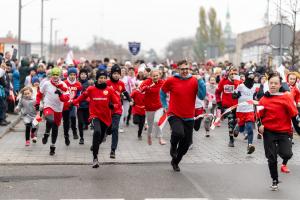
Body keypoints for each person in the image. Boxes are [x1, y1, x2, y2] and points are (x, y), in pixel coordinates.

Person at [160, 60, 206, 172]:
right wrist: (165, 105)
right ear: (178, 69)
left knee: (186, 145)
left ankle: (175, 162)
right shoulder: (171, 80)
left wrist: (200, 81)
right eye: (182, 69)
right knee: (178, 133)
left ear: (189, 69)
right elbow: (162, 92)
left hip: (189, 116)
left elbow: (201, 96)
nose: (185, 71)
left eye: (186, 69)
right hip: (174, 113)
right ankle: (173, 146)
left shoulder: (195, 81)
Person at [258, 72, 300, 191]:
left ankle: (278, 150)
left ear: (280, 84)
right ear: (268, 84)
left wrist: (299, 130)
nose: (273, 85)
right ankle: (274, 180)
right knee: (271, 158)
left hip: (284, 131)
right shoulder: (263, 99)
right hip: (269, 131)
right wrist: (259, 126)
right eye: (271, 83)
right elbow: (258, 117)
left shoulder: (286, 97)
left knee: (287, 154)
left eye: (275, 83)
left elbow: (294, 115)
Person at [73, 70, 118, 168]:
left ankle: (95, 145)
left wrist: (112, 105)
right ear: (97, 78)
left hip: (106, 118)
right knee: (97, 132)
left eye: (104, 78)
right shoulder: (91, 89)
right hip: (94, 115)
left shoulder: (109, 90)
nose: (102, 80)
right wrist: (73, 102)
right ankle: (95, 158)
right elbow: (82, 96)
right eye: (100, 78)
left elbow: (117, 102)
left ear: (106, 79)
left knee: (100, 138)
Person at [36, 67, 70, 155]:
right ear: (51, 75)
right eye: (53, 75)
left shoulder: (64, 85)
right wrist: (37, 102)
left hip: (58, 108)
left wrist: (60, 94)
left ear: (60, 76)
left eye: (57, 75)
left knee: (55, 128)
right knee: (50, 120)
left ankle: (52, 146)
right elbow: (39, 93)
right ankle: (47, 133)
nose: (55, 77)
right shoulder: (46, 84)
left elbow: (66, 98)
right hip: (48, 105)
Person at [106, 64, 132, 159]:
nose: (116, 75)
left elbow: (125, 92)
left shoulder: (121, 84)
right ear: (111, 74)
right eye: (114, 73)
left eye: (118, 74)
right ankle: (102, 137)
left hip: (117, 109)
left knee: (115, 129)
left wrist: (130, 100)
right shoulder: (107, 83)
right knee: (108, 129)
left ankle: (113, 150)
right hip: (107, 110)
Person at [215, 66, 241, 147]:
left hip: (238, 106)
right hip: (227, 106)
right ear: (228, 73)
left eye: (235, 74)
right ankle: (231, 140)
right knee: (230, 122)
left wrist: (237, 82)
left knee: (237, 121)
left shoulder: (239, 82)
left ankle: (236, 130)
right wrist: (219, 103)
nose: (233, 75)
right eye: (232, 73)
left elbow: (243, 92)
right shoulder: (223, 81)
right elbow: (217, 92)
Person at [233, 71, 257, 154]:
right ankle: (237, 127)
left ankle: (250, 145)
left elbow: (254, 97)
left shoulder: (254, 87)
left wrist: (256, 100)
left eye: (252, 76)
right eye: (249, 76)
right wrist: (236, 95)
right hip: (240, 111)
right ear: (246, 77)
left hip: (249, 110)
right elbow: (234, 95)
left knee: (250, 128)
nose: (251, 78)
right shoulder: (241, 86)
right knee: (242, 129)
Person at [140, 69, 166, 145]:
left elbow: (168, 89)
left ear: (159, 76)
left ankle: (160, 138)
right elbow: (141, 90)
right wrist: (147, 87)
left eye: (157, 75)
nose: (155, 77)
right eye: (154, 76)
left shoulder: (162, 82)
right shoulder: (147, 82)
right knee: (150, 125)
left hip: (159, 105)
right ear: (151, 76)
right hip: (149, 107)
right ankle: (149, 136)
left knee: (157, 121)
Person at [62, 67, 82, 146]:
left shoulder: (78, 84)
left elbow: (78, 94)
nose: (72, 76)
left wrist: (75, 102)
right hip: (65, 103)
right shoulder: (64, 83)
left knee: (73, 116)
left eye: (74, 75)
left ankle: (74, 131)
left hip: (73, 103)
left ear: (76, 75)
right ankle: (66, 135)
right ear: (68, 75)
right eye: (71, 74)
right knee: (66, 121)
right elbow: (62, 93)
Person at [77, 69, 90, 145]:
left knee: (87, 122)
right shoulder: (77, 83)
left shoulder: (89, 84)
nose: (83, 75)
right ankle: (81, 138)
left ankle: (87, 124)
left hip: (87, 106)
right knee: (80, 122)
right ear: (79, 75)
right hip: (79, 106)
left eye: (85, 74)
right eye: (82, 74)